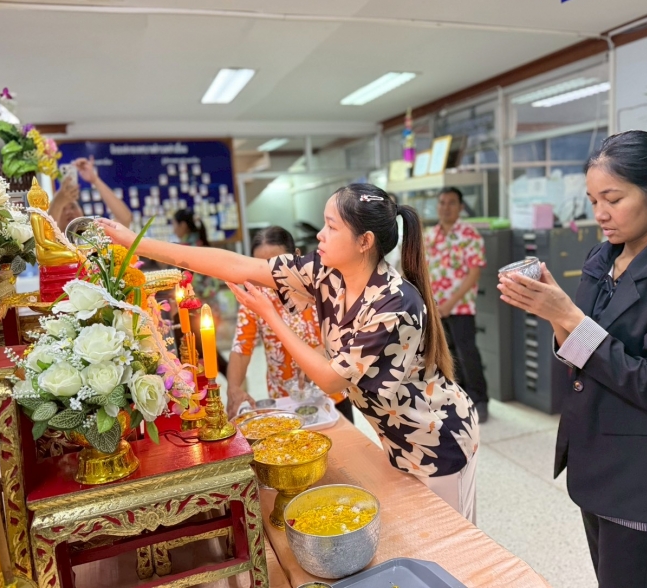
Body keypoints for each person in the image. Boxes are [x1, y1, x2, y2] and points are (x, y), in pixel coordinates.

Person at [98, 183, 479, 520]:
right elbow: (235, 264)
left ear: (364, 241)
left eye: (332, 226)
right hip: (396, 436)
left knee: (455, 543)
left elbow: (330, 378)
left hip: (436, 437)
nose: (320, 235)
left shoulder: (394, 304)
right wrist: (136, 242)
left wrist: (271, 315)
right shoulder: (328, 274)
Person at [498, 130, 647, 588]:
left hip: (643, 475)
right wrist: (554, 313)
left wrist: (568, 315)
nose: (600, 213)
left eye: (613, 199)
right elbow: (583, 353)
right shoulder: (603, 257)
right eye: (593, 200)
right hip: (594, 457)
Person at [226, 226, 354, 422]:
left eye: (274, 265)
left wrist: (324, 351)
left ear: (296, 256)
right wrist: (233, 387)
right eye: (260, 266)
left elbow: (351, 334)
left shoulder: (322, 285)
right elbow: (241, 348)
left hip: (333, 396)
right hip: (285, 401)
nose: (267, 274)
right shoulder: (255, 298)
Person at [425, 187, 489, 422]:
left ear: (461, 207)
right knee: (447, 355)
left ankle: (480, 400)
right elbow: (424, 270)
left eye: (451, 203)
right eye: (442, 202)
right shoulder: (429, 236)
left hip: (460, 307)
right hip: (435, 308)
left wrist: (450, 304)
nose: (446, 207)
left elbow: (474, 273)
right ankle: (460, 399)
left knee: (467, 353)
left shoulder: (470, 235)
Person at [172, 208, 228, 377]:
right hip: (210, 310)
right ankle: (233, 378)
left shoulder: (186, 249)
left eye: (174, 224)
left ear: (183, 225)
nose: (173, 229)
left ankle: (231, 379)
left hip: (196, 311)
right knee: (206, 351)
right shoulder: (202, 244)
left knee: (199, 353)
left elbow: (186, 282)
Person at [49, 156, 132, 231]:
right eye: (62, 209)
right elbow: (46, 231)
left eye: (73, 207)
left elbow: (124, 220)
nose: (69, 212)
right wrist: (57, 203)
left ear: (82, 212)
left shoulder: (96, 235)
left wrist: (95, 180)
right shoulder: (51, 240)